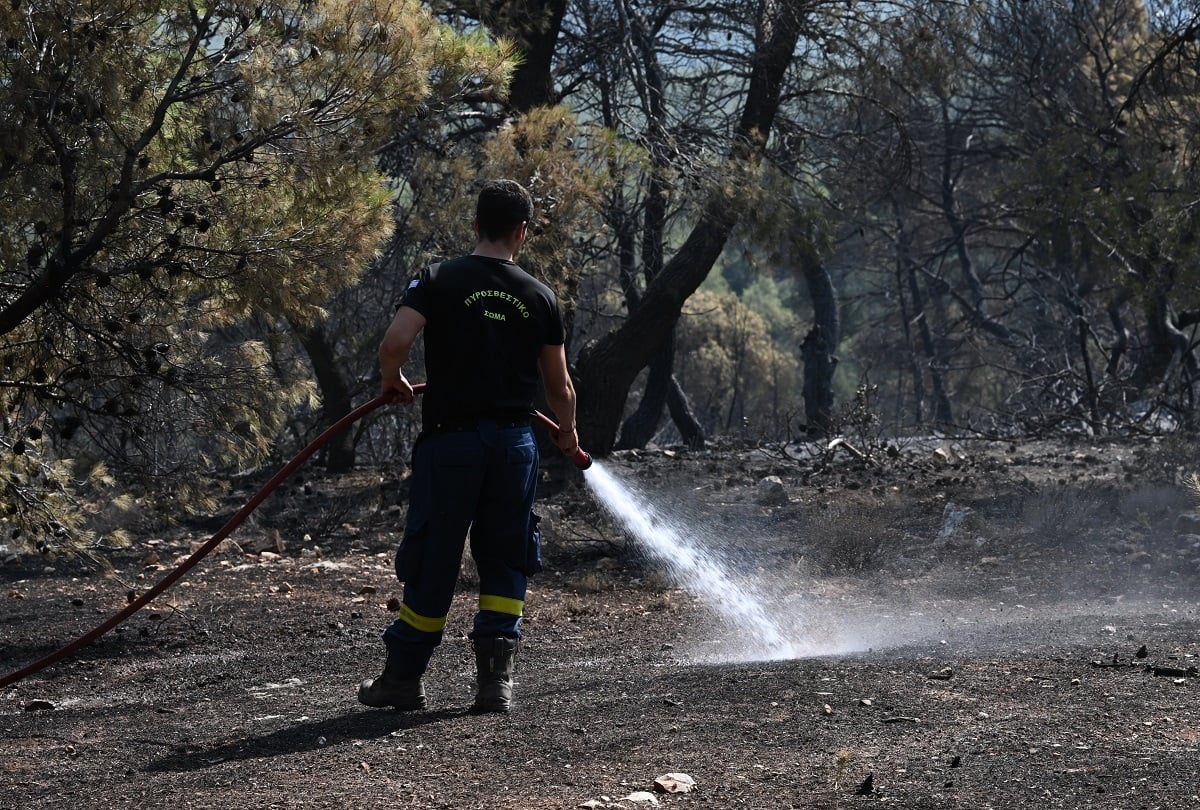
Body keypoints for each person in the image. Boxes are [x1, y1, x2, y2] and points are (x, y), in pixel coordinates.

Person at [358, 179, 579, 714]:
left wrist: (394, 379)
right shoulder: (540, 296)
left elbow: (394, 344)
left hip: (450, 443)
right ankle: (494, 686)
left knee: (434, 555)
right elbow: (560, 388)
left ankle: (404, 680)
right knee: (506, 554)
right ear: (521, 232)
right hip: (513, 446)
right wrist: (567, 432)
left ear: (476, 224)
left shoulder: (437, 279)